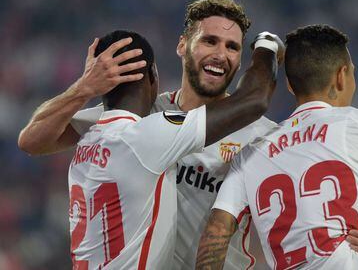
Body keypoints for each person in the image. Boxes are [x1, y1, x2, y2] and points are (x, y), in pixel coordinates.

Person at [18, 0, 358, 269]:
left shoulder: (266, 137)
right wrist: (84, 88)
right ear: (183, 45)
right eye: (210, 41)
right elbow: (34, 140)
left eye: (233, 47)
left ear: (240, 61)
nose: (222, 54)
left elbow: (315, 203)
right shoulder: (138, 120)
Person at [26, 27, 280, 269]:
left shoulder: (89, 135)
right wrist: (267, 43)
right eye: (209, 41)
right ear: (153, 77)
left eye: (231, 46)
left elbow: (29, 140)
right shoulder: (148, 134)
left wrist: (83, 87)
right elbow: (253, 101)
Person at [196, 24, 358, 269]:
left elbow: (214, 236)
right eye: (353, 72)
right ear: (342, 76)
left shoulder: (251, 153)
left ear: (290, 85)